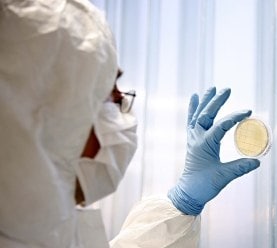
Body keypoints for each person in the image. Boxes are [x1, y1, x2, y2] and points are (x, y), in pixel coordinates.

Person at [0, 1, 261, 247]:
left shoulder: (44, 234)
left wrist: (182, 205)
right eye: (108, 100)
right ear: (33, 123)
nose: (123, 116)